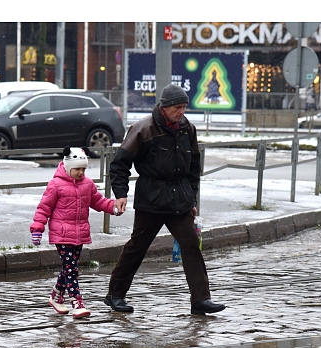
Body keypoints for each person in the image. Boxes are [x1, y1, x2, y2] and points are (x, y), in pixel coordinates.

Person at [104, 83, 226, 316]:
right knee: (137, 247)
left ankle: (201, 299)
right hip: (151, 198)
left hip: (179, 199)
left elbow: (193, 168)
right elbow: (119, 165)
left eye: (184, 108)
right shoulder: (143, 129)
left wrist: (192, 199)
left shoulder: (187, 129)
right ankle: (115, 294)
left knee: (191, 245)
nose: (182, 112)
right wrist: (120, 193)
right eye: (178, 108)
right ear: (165, 107)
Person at [30, 146, 121, 319]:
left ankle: (56, 297)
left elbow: (98, 201)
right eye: (77, 169)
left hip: (80, 234)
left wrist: (113, 208)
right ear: (67, 167)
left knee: (68, 268)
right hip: (61, 234)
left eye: (83, 169)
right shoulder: (55, 185)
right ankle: (77, 303)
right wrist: (37, 228)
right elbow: (44, 208)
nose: (81, 172)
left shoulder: (87, 184)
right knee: (71, 269)